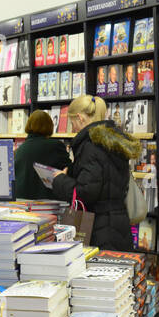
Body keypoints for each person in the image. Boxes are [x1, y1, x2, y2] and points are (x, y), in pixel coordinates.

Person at [49, 95, 141, 251]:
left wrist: (60, 180)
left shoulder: (91, 146)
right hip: (118, 224)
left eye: (73, 123)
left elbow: (86, 192)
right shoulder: (113, 141)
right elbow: (104, 180)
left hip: (99, 228)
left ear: (80, 118)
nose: (74, 129)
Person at [13, 110, 70, 199]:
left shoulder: (19, 149)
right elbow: (70, 169)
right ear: (50, 126)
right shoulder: (55, 146)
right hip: (46, 203)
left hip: (20, 202)